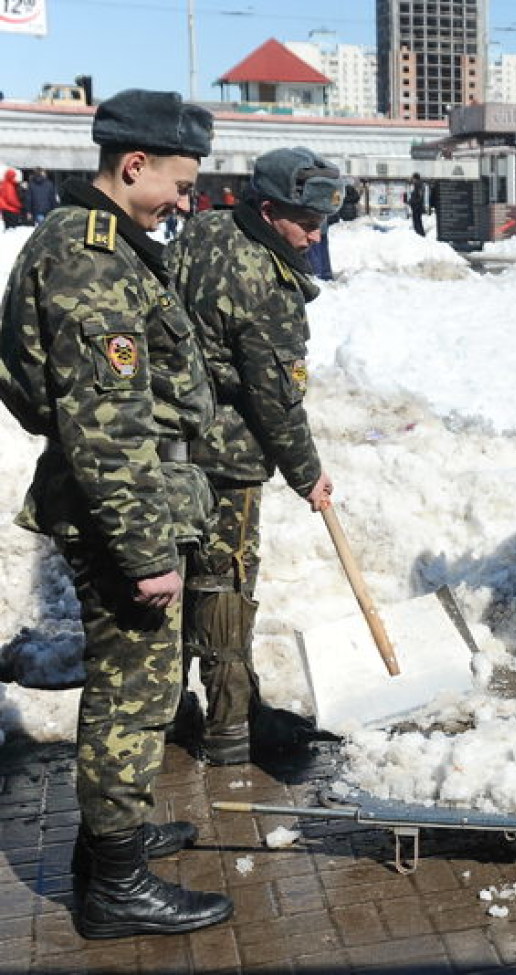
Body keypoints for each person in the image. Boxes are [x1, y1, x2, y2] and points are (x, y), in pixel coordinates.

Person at [0, 88, 232, 939]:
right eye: (177, 182)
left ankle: (112, 844)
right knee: (131, 694)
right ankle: (117, 886)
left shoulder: (102, 244)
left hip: (127, 499)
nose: (184, 200)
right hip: (120, 512)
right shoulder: (92, 257)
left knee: (140, 684)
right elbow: (108, 424)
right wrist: (142, 550)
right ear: (132, 166)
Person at [168, 147, 343, 765]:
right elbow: (276, 401)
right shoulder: (267, 281)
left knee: (179, 577)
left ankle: (173, 708)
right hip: (228, 458)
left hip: (172, 443)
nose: (316, 234)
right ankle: (230, 726)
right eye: (306, 221)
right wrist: (308, 474)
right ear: (270, 211)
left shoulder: (205, 228)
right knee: (225, 584)